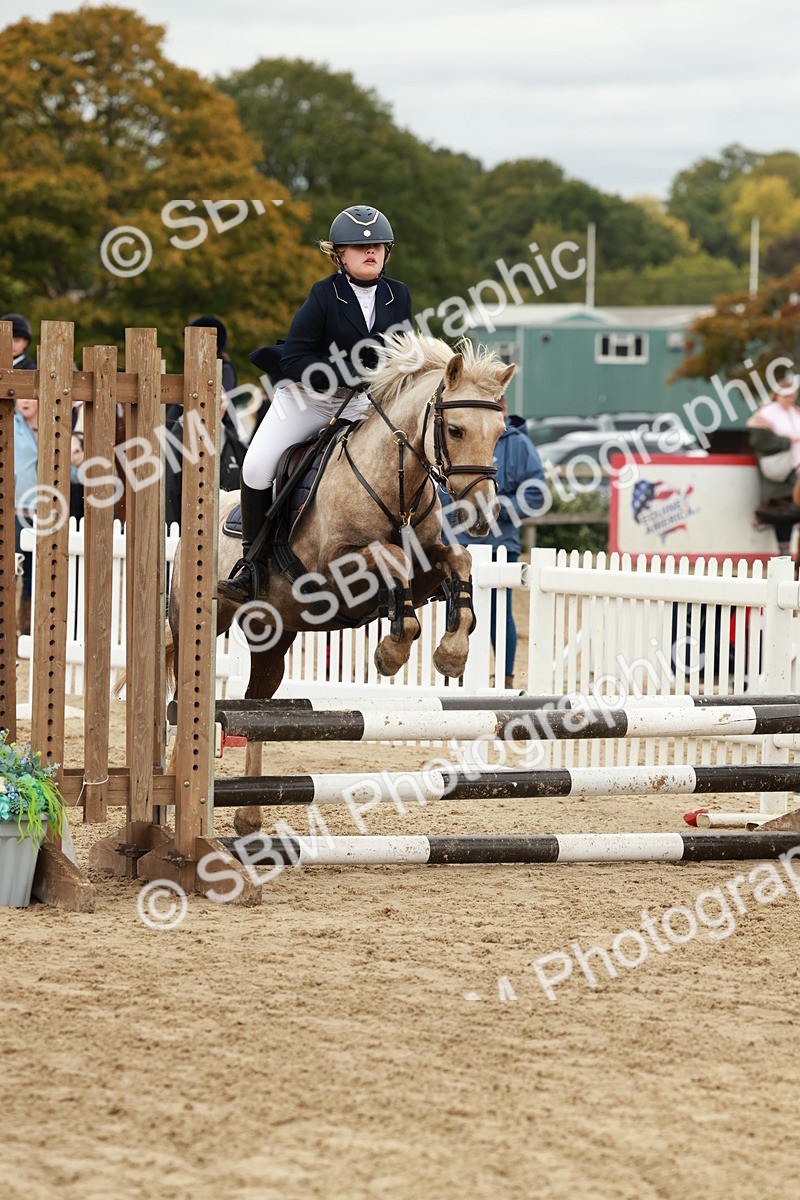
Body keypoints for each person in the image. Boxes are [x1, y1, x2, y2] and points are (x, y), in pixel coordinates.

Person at [218, 205, 413, 603]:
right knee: (256, 466)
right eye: (359, 247)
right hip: (310, 400)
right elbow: (294, 358)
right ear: (338, 254)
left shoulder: (398, 295)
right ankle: (251, 566)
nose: (370, 252)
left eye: (377, 245)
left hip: (365, 405)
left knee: (410, 455)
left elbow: (405, 353)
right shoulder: (325, 294)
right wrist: (342, 374)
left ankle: (419, 548)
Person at [446, 397, 545, 687]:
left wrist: (493, 508)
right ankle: (457, 680)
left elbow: (536, 494)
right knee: (454, 611)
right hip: (455, 544)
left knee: (499, 616)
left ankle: (506, 678)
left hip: (499, 545)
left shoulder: (517, 444)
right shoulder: (457, 435)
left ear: (500, 410)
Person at [747, 370, 800, 556]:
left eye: (792, 395)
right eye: (786, 396)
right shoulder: (766, 415)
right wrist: (786, 441)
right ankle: (784, 552)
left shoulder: (795, 413)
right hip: (779, 471)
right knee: (783, 511)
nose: (790, 399)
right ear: (777, 395)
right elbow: (758, 442)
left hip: (796, 467)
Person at [13, 391, 39, 635]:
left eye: (30, 397)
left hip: (43, 512)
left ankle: (27, 627)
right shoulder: (11, 424)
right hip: (15, 509)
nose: (26, 402)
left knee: (34, 571)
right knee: (12, 568)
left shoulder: (53, 424)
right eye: (22, 398)